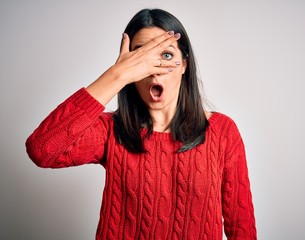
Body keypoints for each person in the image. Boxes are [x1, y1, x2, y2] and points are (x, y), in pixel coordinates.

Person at [26, 8, 257, 240]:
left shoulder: (222, 131)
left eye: (166, 55)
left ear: (185, 64)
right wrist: (118, 75)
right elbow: (41, 150)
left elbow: (242, 227)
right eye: (141, 58)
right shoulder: (110, 130)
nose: (153, 70)